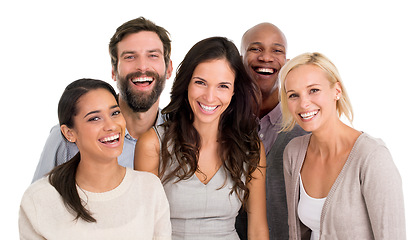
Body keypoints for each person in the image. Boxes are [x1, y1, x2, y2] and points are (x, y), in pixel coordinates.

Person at [135, 37, 269, 240]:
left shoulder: (250, 148)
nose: (209, 96)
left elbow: (258, 230)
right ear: (186, 83)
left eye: (222, 86)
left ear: (234, 91)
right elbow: (143, 229)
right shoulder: (153, 144)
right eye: (200, 82)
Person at [19, 79, 171, 239]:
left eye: (115, 113)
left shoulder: (150, 188)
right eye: (94, 118)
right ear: (69, 133)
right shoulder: (39, 199)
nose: (111, 125)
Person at [280, 52, 406, 239]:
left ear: (336, 91)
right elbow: (296, 232)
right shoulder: (294, 152)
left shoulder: (372, 156)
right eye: (293, 95)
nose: (303, 103)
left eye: (313, 90)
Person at [31, 17, 173, 182]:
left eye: (153, 55)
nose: (142, 66)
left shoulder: (182, 135)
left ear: (169, 69)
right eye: (130, 57)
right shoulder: (70, 136)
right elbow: (38, 203)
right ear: (114, 71)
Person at [236, 22, 307, 240]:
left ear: (286, 61)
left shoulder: (305, 125)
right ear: (240, 59)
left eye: (277, 50)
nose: (266, 57)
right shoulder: (220, 120)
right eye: (255, 48)